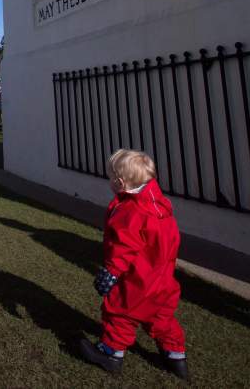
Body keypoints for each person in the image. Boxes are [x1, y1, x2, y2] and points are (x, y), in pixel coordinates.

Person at [79, 149, 188, 380]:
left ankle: (110, 353)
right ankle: (176, 356)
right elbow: (172, 240)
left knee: (119, 313)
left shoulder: (132, 211)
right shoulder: (161, 206)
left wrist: (110, 272)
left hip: (137, 279)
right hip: (163, 279)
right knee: (162, 317)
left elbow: (123, 248)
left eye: (110, 178)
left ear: (120, 182)